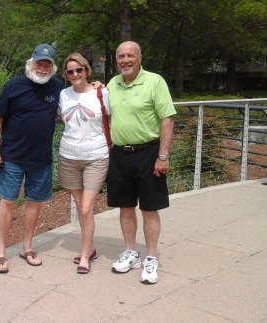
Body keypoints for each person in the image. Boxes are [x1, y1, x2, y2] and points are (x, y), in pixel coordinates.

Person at [0, 43, 64, 273]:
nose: (42, 68)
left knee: (34, 202)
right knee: (7, 201)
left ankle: (27, 247)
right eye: (39, 63)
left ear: (52, 67)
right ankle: (0, 252)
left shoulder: (58, 87)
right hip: (12, 156)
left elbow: (80, 95)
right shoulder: (13, 85)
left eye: (47, 64)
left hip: (41, 157)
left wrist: (96, 85)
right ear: (31, 63)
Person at [106, 41, 176, 284]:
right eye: (121, 56)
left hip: (148, 153)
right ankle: (130, 252)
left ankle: (151, 257)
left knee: (149, 208)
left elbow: (167, 119)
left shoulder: (155, 81)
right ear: (117, 61)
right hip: (120, 155)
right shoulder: (112, 84)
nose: (125, 60)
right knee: (125, 207)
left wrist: (163, 156)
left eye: (130, 56)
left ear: (139, 58)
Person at [58, 53, 110, 274]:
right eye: (70, 71)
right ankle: (91, 248)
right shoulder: (63, 94)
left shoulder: (102, 92)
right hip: (68, 156)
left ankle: (85, 255)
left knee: (87, 207)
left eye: (79, 70)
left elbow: (113, 116)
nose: (75, 74)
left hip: (96, 156)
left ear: (87, 70)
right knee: (82, 208)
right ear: (66, 75)